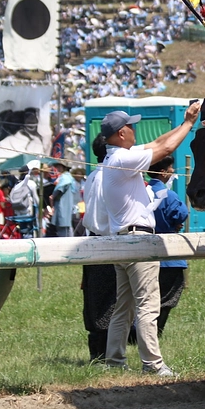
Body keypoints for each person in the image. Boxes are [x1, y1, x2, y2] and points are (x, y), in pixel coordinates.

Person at [102, 102, 201, 376]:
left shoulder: (117, 157)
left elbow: (158, 143)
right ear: (121, 133)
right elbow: (165, 149)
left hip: (123, 240)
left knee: (123, 307)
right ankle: (153, 365)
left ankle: (115, 361)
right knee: (147, 305)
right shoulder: (123, 159)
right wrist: (189, 124)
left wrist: (184, 123)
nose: (135, 131)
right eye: (131, 127)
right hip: (138, 239)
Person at [144, 156, 189, 337]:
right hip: (169, 256)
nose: (172, 171)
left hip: (144, 252)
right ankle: (155, 332)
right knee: (166, 298)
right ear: (163, 172)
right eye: (170, 168)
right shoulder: (168, 195)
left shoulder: (142, 192)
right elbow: (181, 214)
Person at [81, 134, 116, 362]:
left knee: (95, 298)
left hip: (92, 240)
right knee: (108, 299)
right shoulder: (109, 176)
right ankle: (104, 353)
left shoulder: (93, 175)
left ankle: (98, 352)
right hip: (108, 240)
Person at [49, 160, 76, 238]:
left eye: (59, 166)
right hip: (64, 206)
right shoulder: (68, 177)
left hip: (63, 206)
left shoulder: (65, 177)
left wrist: (53, 196)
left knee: (63, 230)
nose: (57, 168)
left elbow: (60, 188)